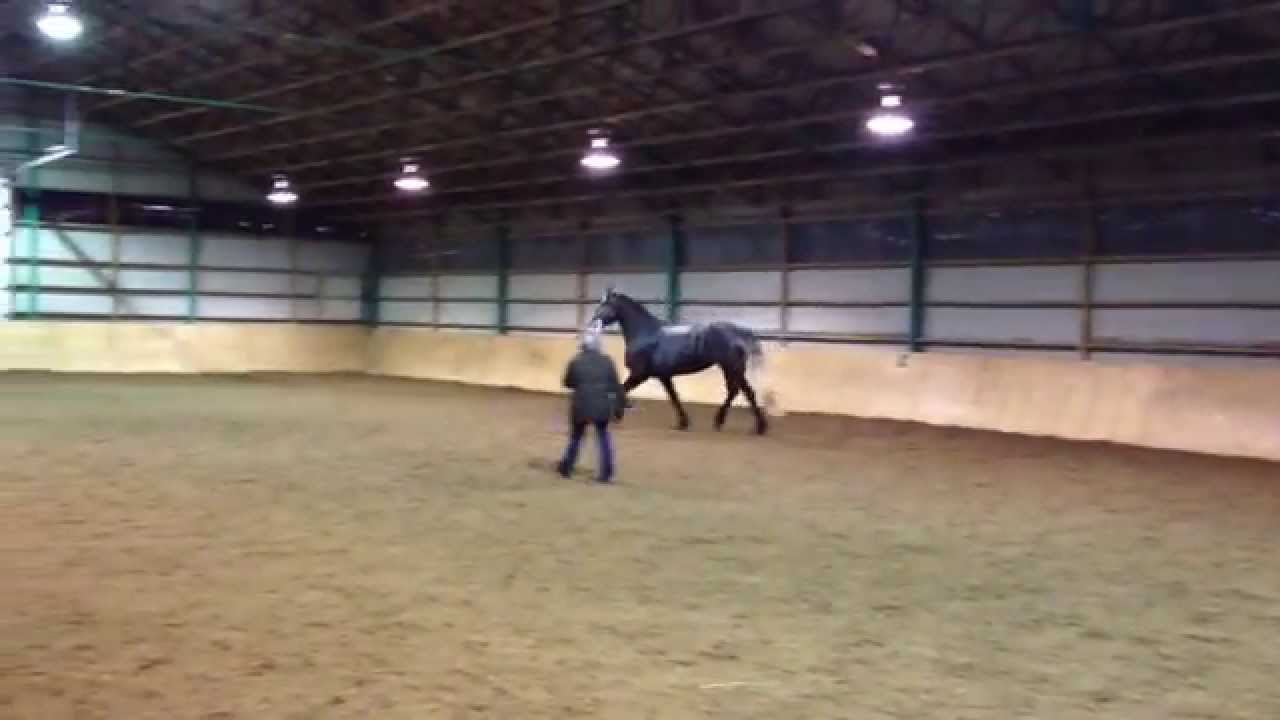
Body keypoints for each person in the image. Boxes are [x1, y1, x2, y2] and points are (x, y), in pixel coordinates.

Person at [558, 329, 624, 484]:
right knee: (603, 437)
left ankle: (566, 467)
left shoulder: (575, 361)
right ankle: (606, 473)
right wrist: (619, 407)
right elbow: (616, 386)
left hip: (580, 405)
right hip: (602, 406)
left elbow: (567, 383)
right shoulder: (608, 361)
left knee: (577, 437)